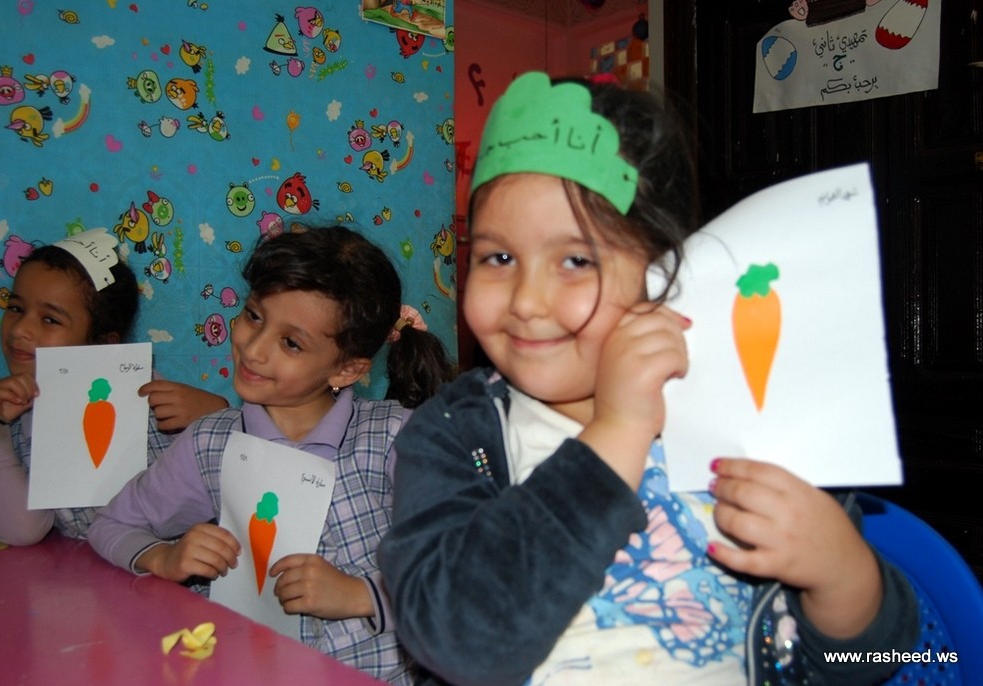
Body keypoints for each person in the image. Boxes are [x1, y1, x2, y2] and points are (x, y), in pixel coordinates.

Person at [377, 72, 919, 686]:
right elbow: (457, 638)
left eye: (575, 260)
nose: (526, 300)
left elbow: (877, 662)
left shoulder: (749, 413)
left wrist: (843, 576)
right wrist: (618, 431)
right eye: (497, 257)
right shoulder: (452, 434)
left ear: (665, 274)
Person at [88, 226, 454, 684]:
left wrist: (361, 595)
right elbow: (111, 525)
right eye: (254, 316)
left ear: (347, 369)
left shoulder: (396, 437)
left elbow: (470, 566)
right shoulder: (210, 444)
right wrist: (164, 557)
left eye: (291, 343)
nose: (254, 349)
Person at [0, 229, 228, 546]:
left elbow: (236, 481)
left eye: (50, 320)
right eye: (16, 308)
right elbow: (23, 530)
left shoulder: (147, 392)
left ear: (105, 345)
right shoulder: (19, 415)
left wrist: (218, 414)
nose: (20, 330)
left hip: (183, 561)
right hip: (95, 570)